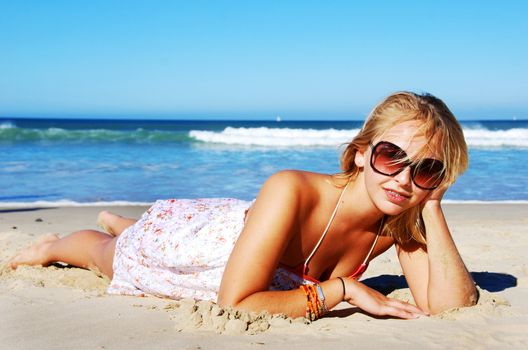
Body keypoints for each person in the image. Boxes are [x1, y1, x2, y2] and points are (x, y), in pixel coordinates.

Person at [9, 92, 478, 321]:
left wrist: (432, 205)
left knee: (124, 232)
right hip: (196, 249)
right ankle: (60, 243)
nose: (402, 178)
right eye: (390, 154)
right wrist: (343, 291)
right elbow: (236, 302)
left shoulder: (401, 218)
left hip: (247, 246)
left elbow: (449, 307)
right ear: (361, 151)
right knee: (107, 255)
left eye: (426, 169)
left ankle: (121, 221)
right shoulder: (292, 189)